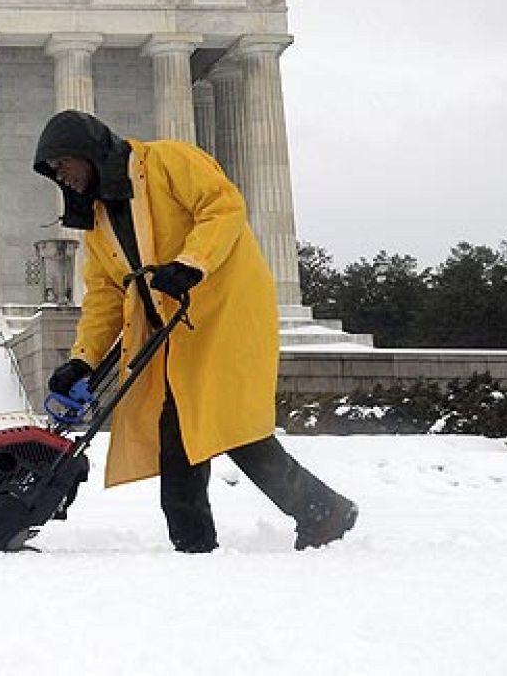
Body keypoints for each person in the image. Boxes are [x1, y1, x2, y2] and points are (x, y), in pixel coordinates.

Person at [33, 109, 358, 552]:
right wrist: (82, 360)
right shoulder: (100, 221)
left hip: (223, 314)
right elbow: (105, 296)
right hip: (176, 331)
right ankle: (206, 541)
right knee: (188, 433)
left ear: (86, 151)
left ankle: (310, 513)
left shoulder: (168, 162)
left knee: (225, 427)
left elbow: (223, 206)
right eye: (53, 172)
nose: (61, 177)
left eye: (61, 164)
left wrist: (191, 263)